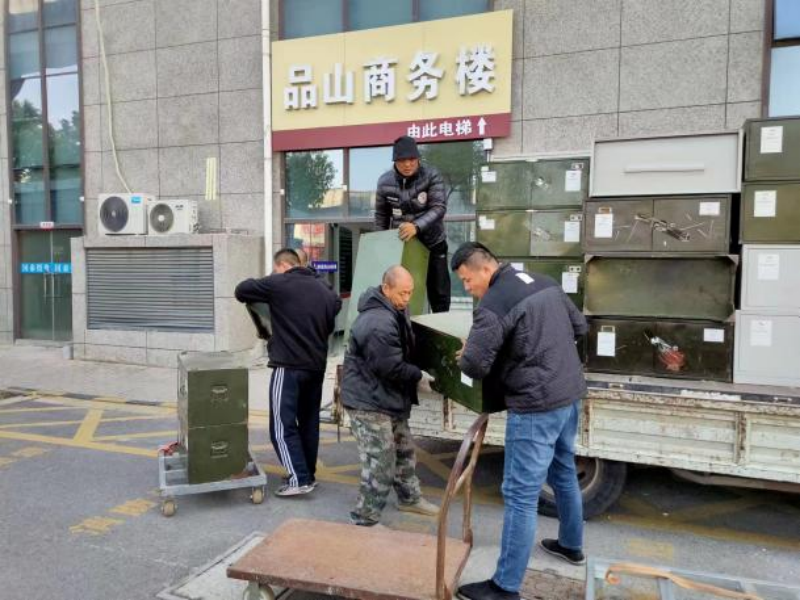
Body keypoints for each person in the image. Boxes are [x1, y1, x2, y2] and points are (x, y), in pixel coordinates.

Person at [451, 243, 588, 600]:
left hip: (535, 405)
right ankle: (571, 545)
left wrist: (466, 353)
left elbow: (474, 365)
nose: (467, 288)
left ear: (484, 269)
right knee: (563, 471)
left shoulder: (493, 304)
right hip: (568, 394)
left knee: (520, 495)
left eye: (466, 280)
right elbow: (580, 326)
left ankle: (505, 586)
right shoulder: (545, 282)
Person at [235, 248, 341, 497]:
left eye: (277, 269)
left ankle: (299, 478)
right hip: (316, 367)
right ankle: (307, 474)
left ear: (283, 265)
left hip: (288, 366)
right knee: (309, 423)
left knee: (281, 426)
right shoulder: (325, 290)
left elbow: (241, 290)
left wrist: (272, 279)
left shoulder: (279, 283)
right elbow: (334, 310)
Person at [340, 265, 439, 526]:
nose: (407, 298)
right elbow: (389, 366)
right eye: (402, 293)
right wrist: (417, 376)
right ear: (386, 288)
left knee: (405, 451)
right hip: (368, 402)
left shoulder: (394, 309)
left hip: (387, 396)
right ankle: (365, 518)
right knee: (380, 463)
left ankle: (409, 498)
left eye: (410, 292)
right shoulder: (377, 322)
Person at [375, 135, 451, 313]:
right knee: (403, 293)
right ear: (395, 161)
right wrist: (380, 243)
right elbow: (381, 216)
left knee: (439, 294)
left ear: (418, 159)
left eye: (412, 159)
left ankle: (441, 328)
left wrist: (416, 226)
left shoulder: (432, 175)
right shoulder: (384, 182)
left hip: (434, 243)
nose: (407, 164)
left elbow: (439, 207)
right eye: (402, 160)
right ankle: (403, 328)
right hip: (404, 246)